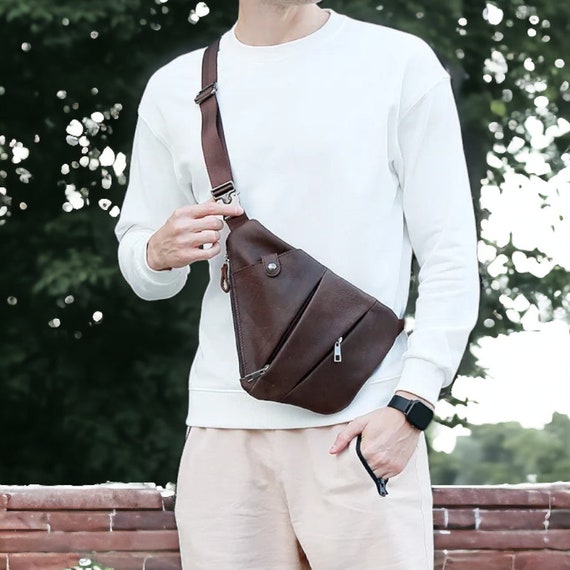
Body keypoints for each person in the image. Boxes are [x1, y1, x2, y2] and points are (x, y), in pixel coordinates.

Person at [115, 1, 480, 568]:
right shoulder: (174, 88)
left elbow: (450, 252)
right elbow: (145, 267)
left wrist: (412, 404)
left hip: (362, 423)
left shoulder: (398, 63)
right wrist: (155, 253)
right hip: (225, 432)